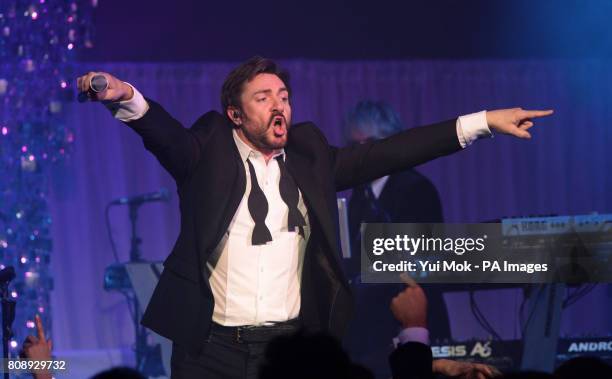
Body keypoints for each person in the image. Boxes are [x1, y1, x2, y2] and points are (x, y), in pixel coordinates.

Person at [77, 56, 553, 379]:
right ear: (235, 115)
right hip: (209, 350)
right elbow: (167, 136)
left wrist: (482, 122)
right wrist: (124, 96)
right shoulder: (209, 152)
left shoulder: (310, 156)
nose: (278, 103)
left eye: (283, 94)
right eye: (263, 96)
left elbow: (390, 152)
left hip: (288, 351)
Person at [342, 100, 450, 377]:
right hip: (369, 333)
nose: (363, 152)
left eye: (372, 143)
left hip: (410, 322)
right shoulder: (358, 195)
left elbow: (422, 262)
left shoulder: (416, 189)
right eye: (356, 145)